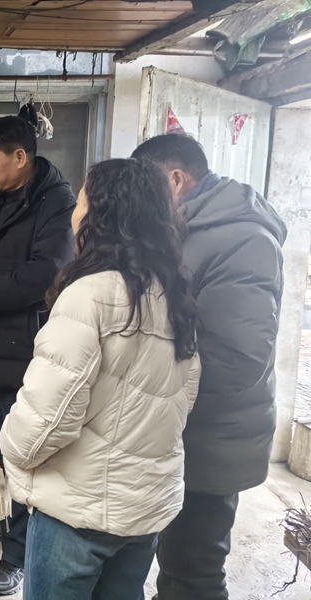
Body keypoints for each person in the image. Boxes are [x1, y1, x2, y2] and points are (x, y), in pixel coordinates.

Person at [0, 158, 200, 600]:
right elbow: (183, 397)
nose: (74, 212)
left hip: (79, 512)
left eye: (81, 201)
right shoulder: (173, 294)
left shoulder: (90, 295)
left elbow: (47, 417)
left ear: (101, 214)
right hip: (143, 508)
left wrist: (10, 451)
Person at [132, 134, 286, 600]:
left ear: (176, 180)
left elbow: (239, 360)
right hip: (182, 432)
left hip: (211, 439)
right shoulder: (191, 227)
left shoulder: (243, 239)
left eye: (147, 188)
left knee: (193, 572)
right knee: (173, 563)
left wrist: (151, 389)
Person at [0, 115, 76, 595]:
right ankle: (15, 525)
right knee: (3, 443)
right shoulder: (1, 199)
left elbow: (46, 273)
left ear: (19, 157)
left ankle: (18, 553)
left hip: (29, 346)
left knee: (23, 452)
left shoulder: (56, 202)